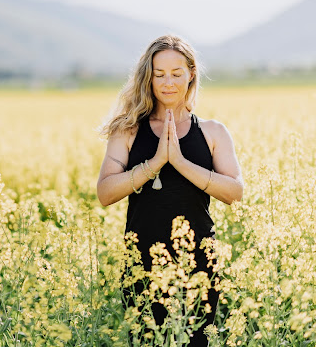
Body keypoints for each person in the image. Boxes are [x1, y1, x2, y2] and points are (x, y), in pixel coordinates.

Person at [97, 34, 243, 346]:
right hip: (141, 265)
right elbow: (105, 193)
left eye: (177, 74)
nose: (168, 82)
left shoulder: (214, 132)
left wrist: (177, 161)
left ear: (192, 74)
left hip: (199, 264)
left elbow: (234, 193)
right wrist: (154, 163)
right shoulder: (128, 129)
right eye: (159, 74)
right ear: (147, 78)